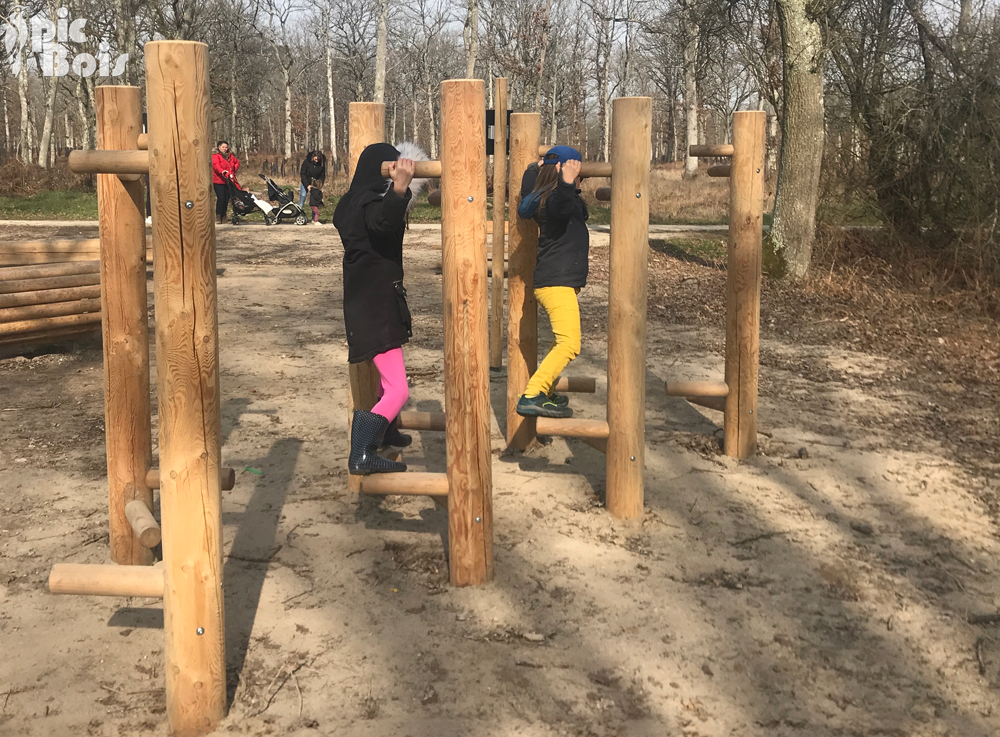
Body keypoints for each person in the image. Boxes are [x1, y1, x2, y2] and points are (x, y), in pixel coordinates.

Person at [334, 143, 418, 475]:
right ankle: (362, 454)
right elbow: (382, 223)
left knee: (387, 381)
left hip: (370, 303)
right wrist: (399, 189)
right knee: (399, 388)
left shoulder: (351, 201)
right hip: (375, 307)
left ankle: (385, 431)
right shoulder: (367, 203)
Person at [515, 145, 588, 419]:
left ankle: (546, 390)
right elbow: (561, 206)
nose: (580, 181)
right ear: (563, 173)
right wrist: (566, 182)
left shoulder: (539, 198)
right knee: (570, 343)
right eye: (578, 175)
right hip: (556, 282)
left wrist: (534, 169)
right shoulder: (554, 200)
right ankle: (533, 394)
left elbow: (525, 197)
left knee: (562, 341)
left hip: (557, 281)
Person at [211, 141, 240, 224]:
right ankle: (218, 215)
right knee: (221, 198)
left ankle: (224, 216)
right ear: (219, 147)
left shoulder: (230, 156)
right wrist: (222, 171)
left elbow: (236, 162)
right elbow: (216, 166)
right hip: (218, 180)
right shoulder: (215, 156)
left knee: (227, 198)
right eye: (223, 147)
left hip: (228, 180)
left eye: (226, 147)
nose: (225, 149)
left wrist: (233, 171)